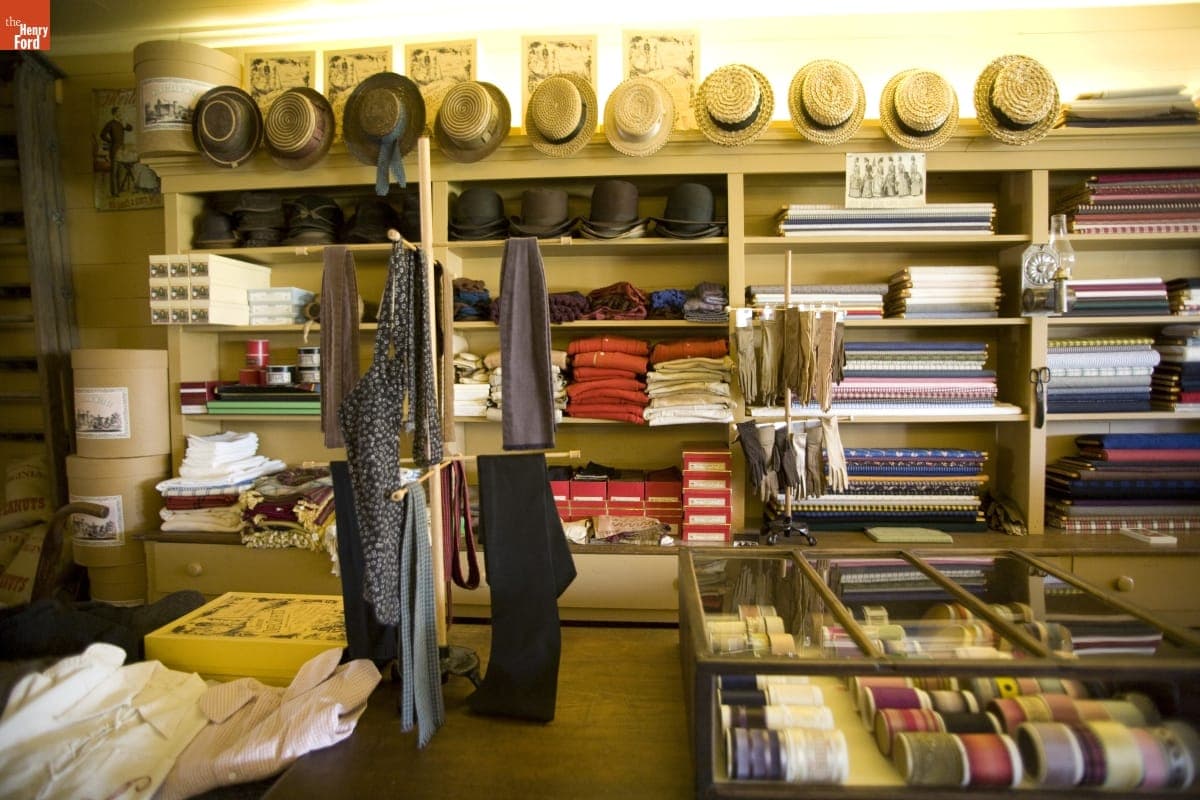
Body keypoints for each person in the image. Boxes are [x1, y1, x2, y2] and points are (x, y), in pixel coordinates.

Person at [99, 106, 133, 197]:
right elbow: (102, 135)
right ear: (115, 113)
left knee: (120, 171)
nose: (120, 114)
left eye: (121, 112)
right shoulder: (110, 124)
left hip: (122, 150)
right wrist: (111, 141)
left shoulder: (121, 123)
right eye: (119, 112)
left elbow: (130, 128)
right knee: (114, 172)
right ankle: (114, 192)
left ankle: (119, 190)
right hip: (114, 150)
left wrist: (124, 123)